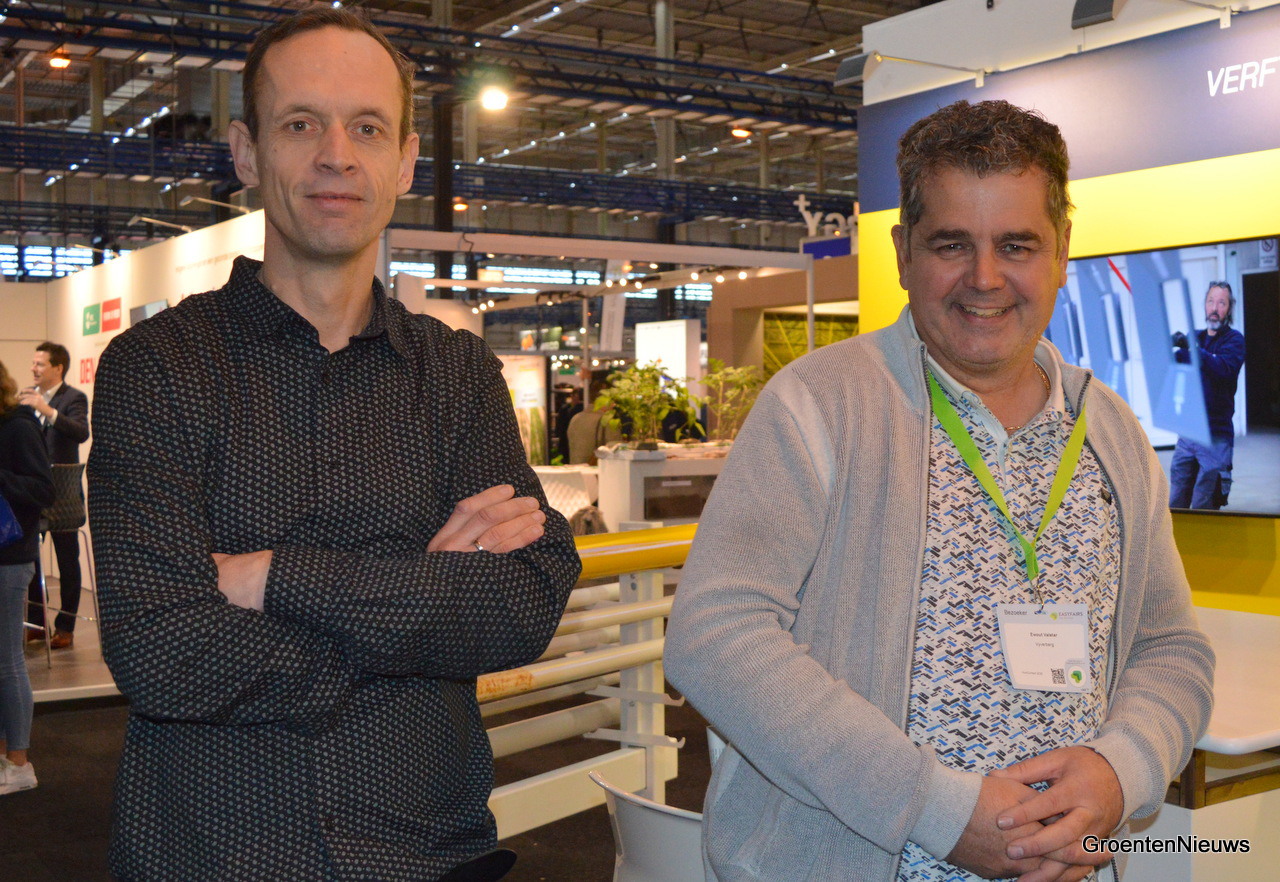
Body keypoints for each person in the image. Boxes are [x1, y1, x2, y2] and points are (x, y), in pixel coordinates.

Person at [87, 8, 580, 880]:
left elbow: (525, 600)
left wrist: (273, 578)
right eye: (301, 124)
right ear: (247, 153)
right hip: (217, 860)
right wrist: (415, 615)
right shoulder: (157, 367)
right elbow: (160, 650)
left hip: (433, 855)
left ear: (406, 161)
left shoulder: (458, 373)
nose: (336, 156)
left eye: (367, 128)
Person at [664, 99, 1214, 882]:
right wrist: (937, 810)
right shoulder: (820, 406)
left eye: (1016, 245)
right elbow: (715, 634)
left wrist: (1121, 772)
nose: (984, 279)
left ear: (1062, 251)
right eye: (952, 244)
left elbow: (1171, 648)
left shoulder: (1112, 431)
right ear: (902, 252)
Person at [0, 358, 55, 795]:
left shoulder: (18, 427)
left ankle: (19, 764)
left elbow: (42, 490)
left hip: (10, 557)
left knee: (8, 661)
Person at [19, 341, 90, 650]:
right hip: (33, 493)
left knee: (67, 562)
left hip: (63, 498)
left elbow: (80, 432)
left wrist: (45, 409)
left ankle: (65, 627)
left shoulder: (73, 397)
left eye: (40, 364)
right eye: (33, 363)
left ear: (58, 368)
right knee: (30, 560)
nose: (33, 368)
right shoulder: (25, 396)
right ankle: (37, 624)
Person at [1169, 282, 1245, 510]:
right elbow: (1175, 363)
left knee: (1205, 505)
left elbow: (1223, 368)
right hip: (1188, 434)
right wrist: (1166, 345)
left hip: (1216, 437)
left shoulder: (1234, 340)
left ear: (1229, 309)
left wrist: (1192, 349)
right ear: (1204, 305)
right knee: (1176, 502)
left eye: (1222, 303)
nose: (1215, 308)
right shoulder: (1196, 337)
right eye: (1211, 301)